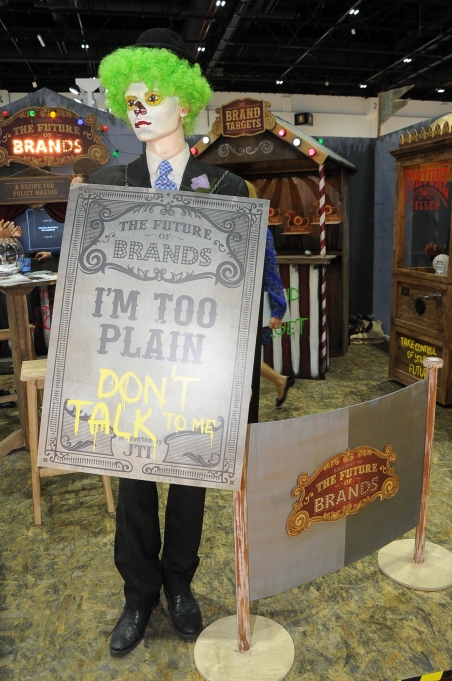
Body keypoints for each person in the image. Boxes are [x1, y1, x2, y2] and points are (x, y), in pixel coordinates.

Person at [88, 28, 248, 658]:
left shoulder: (228, 190)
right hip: (128, 367)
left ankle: (180, 585)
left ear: (185, 101)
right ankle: (138, 594)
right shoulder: (107, 183)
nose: (139, 111)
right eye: (131, 101)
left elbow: (239, 291)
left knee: (188, 480)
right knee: (133, 484)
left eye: (152, 97)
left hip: (195, 369)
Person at [245, 182, 295, 407]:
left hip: (252, 302)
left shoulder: (260, 231)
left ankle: (278, 381)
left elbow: (270, 269)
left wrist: (278, 308)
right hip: (230, 301)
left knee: (244, 356)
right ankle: (280, 380)